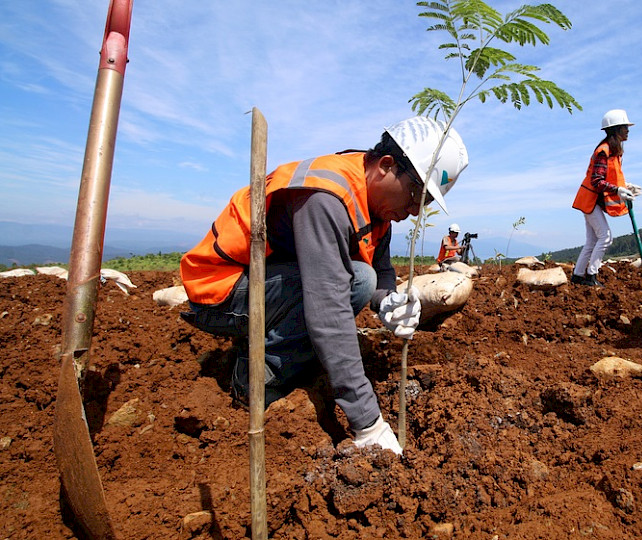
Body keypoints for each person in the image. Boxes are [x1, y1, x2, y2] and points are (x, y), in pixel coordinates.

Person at [179, 116, 469, 454]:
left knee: (364, 280)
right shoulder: (326, 197)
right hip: (220, 291)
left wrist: (388, 300)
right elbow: (328, 309)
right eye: (416, 194)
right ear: (387, 166)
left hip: (268, 282)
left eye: (427, 202)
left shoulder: (378, 207)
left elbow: (381, 269)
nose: (415, 211)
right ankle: (256, 382)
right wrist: (367, 422)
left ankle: (287, 353)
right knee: (351, 285)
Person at [571, 109, 642, 286]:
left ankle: (578, 276)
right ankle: (591, 275)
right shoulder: (604, 151)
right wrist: (617, 190)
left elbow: (612, 176)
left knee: (592, 241)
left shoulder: (613, 151)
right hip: (590, 199)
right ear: (615, 129)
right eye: (625, 127)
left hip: (590, 200)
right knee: (606, 237)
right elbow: (597, 180)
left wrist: (625, 186)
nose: (628, 130)